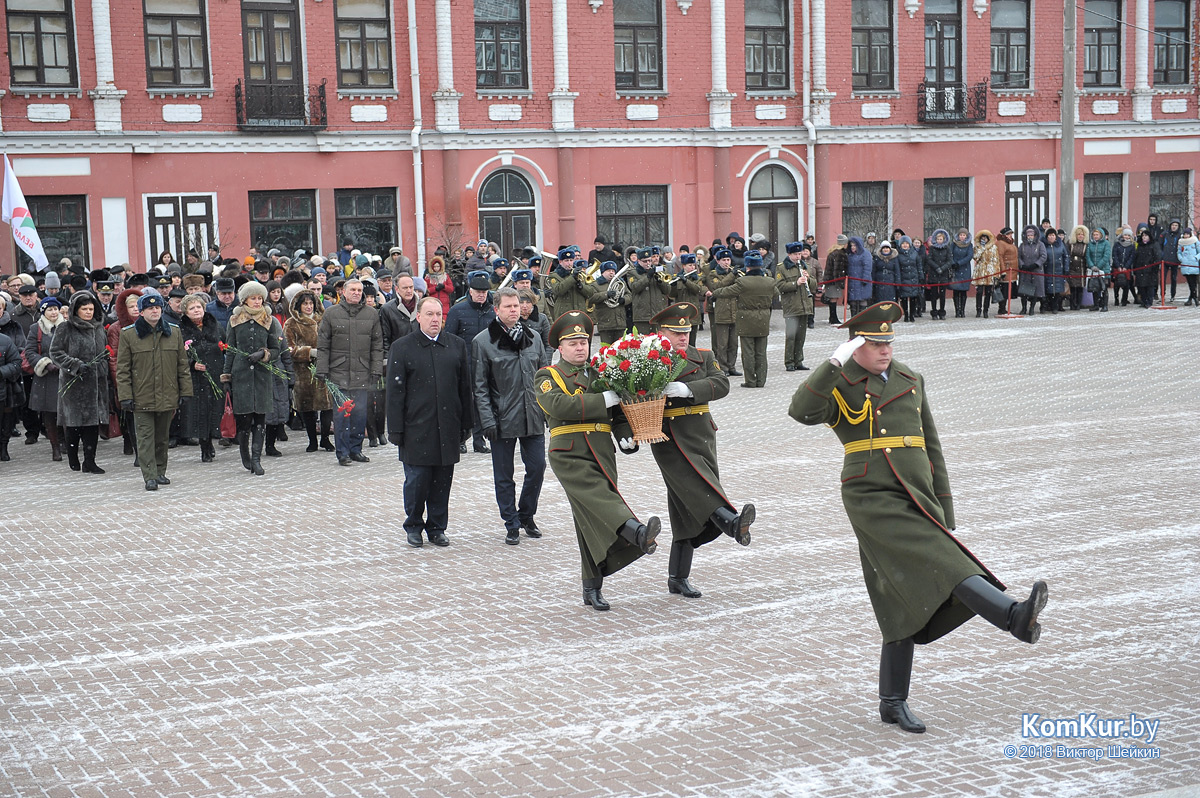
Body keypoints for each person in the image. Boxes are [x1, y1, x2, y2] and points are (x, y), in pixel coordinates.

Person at [788, 301, 1049, 734]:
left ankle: (892, 702)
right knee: (948, 564)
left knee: (896, 593)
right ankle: (1012, 616)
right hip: (871, 495)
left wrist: (944, 503)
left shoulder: (910, 378)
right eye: (874, 344)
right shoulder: (842, 381)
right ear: (857, 346)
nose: (885, 350)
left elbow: (931, 443)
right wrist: (833, 361)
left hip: (917, 493)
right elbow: (801, 411)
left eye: (888, 342)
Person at [535, 310, 660, 610]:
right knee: (600, 499)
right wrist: (602, 400)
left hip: (602, 450)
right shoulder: (548, 375)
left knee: (588, 517)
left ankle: (592, 587)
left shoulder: (603, 372)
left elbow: (617, 415)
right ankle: (637, 533)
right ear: (560, 348)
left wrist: (626, 436)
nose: (580, 347)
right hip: (569, 451)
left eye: (584, 341)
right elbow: (558, 405)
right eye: (573, 342)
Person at [646, 303, 755, 598]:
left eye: (686, 331)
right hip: (667, 437)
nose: (683, 337)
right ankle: (732, 523)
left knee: (685, 508)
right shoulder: (646, 359)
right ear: (660, 333)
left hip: (701, 436)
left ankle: (677, 577)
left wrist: (688, 390)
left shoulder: (704, 356)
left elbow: (722, 384)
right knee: (695, 485)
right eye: (676, 332)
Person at [386, 296, 473, 548]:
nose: (435, 319)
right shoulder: (403, 347)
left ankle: (437, 527)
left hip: (448, 426)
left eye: (439, 315)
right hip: (416, 428)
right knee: (417, 482)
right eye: (430, 314)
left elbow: (464, 387)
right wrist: (396, 429)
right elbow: (394, 392)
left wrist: (467, 423)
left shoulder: (455, 345)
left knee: (442, 481)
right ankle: (413, 525)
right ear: (419, 317)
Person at [473, 287, 550, 545]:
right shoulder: (483, 342)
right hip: (501, 418)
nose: (514, 310)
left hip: (532, 414)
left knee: (537, 467)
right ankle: (511, 522)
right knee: (504, 475)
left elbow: (543, 378)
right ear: (497, 310)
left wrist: (547, 410)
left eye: (516, 305)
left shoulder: (534, 337)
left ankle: (526, 515)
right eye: (508, 306)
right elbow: (480, 387)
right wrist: (487, 420)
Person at [116, 293, 191, 490]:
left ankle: (160, 471)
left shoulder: (173, 332)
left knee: (162, 436)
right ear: (141, 312)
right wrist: (125, 396)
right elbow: (122, 369)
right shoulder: (129, 334)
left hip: (167, 393)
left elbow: (182, 365)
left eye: (157, 307)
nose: (155, 310)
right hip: (142, 395)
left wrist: (185, 391)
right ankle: (149, 475)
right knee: (145, 437)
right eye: (150, 308)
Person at [316, 278, 384, 466]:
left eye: (359, 290)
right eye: (353, 289)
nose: (356, 293)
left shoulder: (371, 314)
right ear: (343, 292)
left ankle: (356, 450)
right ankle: (343, 453)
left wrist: (376, 369)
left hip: (362, 371)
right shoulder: (331, 313)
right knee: (341, 415)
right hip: (338, 371)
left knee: (360, 414)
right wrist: (322, 369)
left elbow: (377, 346)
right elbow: (323, 345)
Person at [221, 282, 284, 475]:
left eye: (259, 298)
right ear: (245, 299)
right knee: (244, 421)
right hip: (241, 375)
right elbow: (229, 350)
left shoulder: (270, 320)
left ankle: (257, 459)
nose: (257, 302)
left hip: (262, 376)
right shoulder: (234, 320)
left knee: (260, 419)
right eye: (253, 298)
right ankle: (245, 455)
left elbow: (276, 349)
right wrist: (226, 378)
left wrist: (263, 354)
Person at [50, 291, 111, 472]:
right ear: (76, 310)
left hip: (96, 383)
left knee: (92, 423)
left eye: (91, 309)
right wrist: (75, 365)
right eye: (84, 309)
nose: (88, 312)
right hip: (73, 382)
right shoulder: (65, 328)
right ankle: (73, 456)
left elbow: (104, 353)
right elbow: (56, 352)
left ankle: (90, 461)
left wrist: (101, 366)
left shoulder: (99, 327)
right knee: (74, 423)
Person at [445, 271, 497, 454]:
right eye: (478, 291)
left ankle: (479, 440)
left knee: (482, 402)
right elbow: (449, 339)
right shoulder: (457, 310)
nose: (481, 294)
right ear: (470, 291)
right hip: (463, 363)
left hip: (486, 364)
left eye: (484, 292)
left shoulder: (492, 312)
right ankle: (460, 438)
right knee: (463, 402)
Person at [711, 252, 776, 388]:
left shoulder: (743, 282)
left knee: (748, 352)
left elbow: (727, 291)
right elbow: (776, 292)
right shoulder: (769, 281)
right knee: (761, 352)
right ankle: (761, 380)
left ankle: (751, 381)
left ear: (747, 267)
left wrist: (715, 294)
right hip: (763, 318)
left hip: (746, 319)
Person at [284, 289, 334, 453]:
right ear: (298, 306)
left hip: (325, 368)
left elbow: (333, 339)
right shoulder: (291, 323)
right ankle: (312, 440)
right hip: (304, 371)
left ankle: (325, 439)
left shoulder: (324, 320)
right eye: (305, 303)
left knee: (327, 405)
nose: (308, 306)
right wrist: (308, 352)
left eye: (311, 303)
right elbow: (288, 348)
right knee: (308, 406)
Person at [178, 294, 225, 463]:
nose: (196, 311)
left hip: (214, 373)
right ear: (185, 312)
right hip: (195, 378)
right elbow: (178, 354)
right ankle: (204, 446)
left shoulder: (215, 326)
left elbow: (225, 346)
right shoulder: (181, 329)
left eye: (198, 307)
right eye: (192, 308)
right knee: (200, 412)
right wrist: (192, 364)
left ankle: (212, 440)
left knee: (214, 409)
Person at [24, 296, 64, 461]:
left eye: (56, 309)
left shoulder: (67, 326)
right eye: (50, 309)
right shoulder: (36, 328)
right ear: (44, 312)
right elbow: (30, 351)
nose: (54, 312)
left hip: (65, 375)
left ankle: (65, 442)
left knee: (66, 412)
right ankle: (55, 446)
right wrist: (45, 364)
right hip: (46, 378)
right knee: (49, 414)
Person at [776, 242, 817, 371]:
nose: (798, 257)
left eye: (799, 254)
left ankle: (798, 361)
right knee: (791, 336)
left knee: (801, 336)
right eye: (795, 254)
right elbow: (779, 286)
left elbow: (814, 285)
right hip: (791, 306)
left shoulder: (806, 266)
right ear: (789, 254)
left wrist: (808, 279)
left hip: (804, 305)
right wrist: (796, 283)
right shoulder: (782, 268)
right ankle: (789, 362)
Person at [703, 247, 741, 375]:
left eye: (728, 259)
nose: (726, 262)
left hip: (734, 310)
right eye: (724, 260)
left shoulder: (734, 273)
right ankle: (723, 367)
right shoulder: (713, 274)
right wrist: (732, 275)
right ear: (718, 261)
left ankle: (732, 366)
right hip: (721, 311)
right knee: (722, 343)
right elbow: (717, 287)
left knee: (734, 343)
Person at [1018, 225, 1048, 314]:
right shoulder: (1022, 245)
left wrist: (1036, 264)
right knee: (1024, 291)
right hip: (1025, 271)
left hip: (1036, 271)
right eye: (1028, 235)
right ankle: (1024, 308)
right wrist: (1022, 265)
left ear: (1035, 236)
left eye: (1031, 235)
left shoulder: (1040, 245)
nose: (1030, 237)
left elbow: (1043, 256)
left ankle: (1032, 308)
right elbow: (1018, 256)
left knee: (1035, 291)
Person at [923, 230, 952, 320]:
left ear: (944, 239)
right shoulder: (932, 248)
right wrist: (936, 267)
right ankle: (934, 312)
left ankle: (942, 312)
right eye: (938, 239)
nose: (939, 240)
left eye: (941, 239)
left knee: (943, 295)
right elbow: (929, 259)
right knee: (934, 295)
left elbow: (950, 260)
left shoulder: (947, 248)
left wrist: (942, 268)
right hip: (934, 274)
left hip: (943, 274)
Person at [971, 230, 999, 318]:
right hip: (980, 271)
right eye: (982, 238)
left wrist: (996, 274)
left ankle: (986, 310)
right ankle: (978, 310)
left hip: (990, 271)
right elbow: (975, 257)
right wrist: (981, 248)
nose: (984, 239)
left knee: (988, 292)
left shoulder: (994, 247)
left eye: (985, 238)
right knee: (979, 292)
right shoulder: (977, 247)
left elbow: (996, 261)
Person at [895, 236, 923, 323]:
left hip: (914, 279)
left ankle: (912, 315)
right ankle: (906, 315)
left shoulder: (914, 254)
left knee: (913, 298)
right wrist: (898, 280)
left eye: (906, 243)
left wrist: (921, 277)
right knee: (904, 298)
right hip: (904, 279)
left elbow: (919, 266)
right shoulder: (898, 255)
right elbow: (897, 269)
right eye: (903, 244)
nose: (905, 245)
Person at [822, 234, 849, 325]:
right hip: (834, 280)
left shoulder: (832, 252)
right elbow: (837, 269)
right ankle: (833, 318)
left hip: (830, 279)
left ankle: (832, 317)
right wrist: (840, 282)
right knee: (834, 298)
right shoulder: (839, 253)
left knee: (832, 298)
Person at [1133, 228, 1162, 308]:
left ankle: (1149, 301)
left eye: (1146, 236)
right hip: (1140, 269)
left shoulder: (1154, 244)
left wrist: (1154, 267)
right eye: (1143, 236)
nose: (1144, 237)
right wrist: (1135, 267)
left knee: (1149, 287)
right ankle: (1144, 301)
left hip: (1150, 269)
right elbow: (1136, 257)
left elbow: (1158, 256)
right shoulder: (1140, 245)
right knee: (1141, 287)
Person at [845, 236, 874, 316]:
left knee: (862, 299)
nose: (852, 247)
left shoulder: (865, 254)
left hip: (862, 282)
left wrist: (865, 279)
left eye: (854, 245)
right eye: (851, 245)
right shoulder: (850, 255)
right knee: (853, 301)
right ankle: (853, 318)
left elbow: (867, 268)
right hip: (852, 281)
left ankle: (862, 318)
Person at [1085, 227, 1112, 312]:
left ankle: (1104, 305)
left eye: (1097, 235)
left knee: (1103, 288)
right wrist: (1092, 265)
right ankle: (1095, 305)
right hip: (1093, 270)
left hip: (1103, 269)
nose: (1095, 236)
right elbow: (1088, 256)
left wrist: (1099, 266)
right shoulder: (1090, 244)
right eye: (1094, 235)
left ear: (1101, 235)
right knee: (1094, 287)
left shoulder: (1106, 243)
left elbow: (1106, 256)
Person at [949, 228, 973, 318]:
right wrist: (953, 263)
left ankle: (962, 310)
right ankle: (957, 310)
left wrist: (959, 263)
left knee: (963, 291)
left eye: (964, 235)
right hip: (955, 270)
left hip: (965, 269)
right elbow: (949, 254)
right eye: (960, 235)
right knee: (956, 291)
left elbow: (969, 256)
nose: (962, 237)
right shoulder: (954, 244)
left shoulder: (969, 245)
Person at [1111, 226, 1136, 307]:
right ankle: (1116, 299)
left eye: (1129, 236)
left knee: (1127, 284)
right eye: (1125, 235)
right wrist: (1118, 266)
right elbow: (1114, 255)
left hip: (1127, 268)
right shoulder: (1117, 244)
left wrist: (1126, 266)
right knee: (1116, 284)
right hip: (1117, 267)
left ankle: (1124, 300)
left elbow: (1132, 257)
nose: (1127, 237)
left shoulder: (1132, 246)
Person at [1179, 227, 1199, 306]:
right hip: (1185, 265)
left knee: (1193, 283)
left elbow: (1199, 251)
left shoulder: (1195, 241)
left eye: (1187, 234)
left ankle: (1193, 298)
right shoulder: (1181, 242)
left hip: (1194, 264)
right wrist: (1181, 259)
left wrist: (1196, 258)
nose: (1186, 235)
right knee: (1190, 283)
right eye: (1184, 234)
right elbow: (1179, 252)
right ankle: (1193, 298)